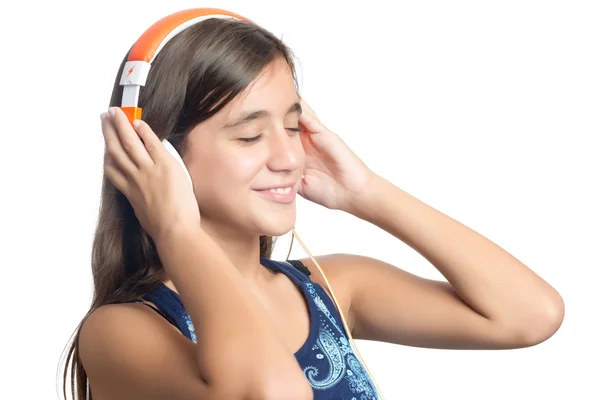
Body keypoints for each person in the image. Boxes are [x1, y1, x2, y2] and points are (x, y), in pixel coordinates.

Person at [61, 13, 565, 400]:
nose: (288, 157)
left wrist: (366, 192)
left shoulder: (329, 287)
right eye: (251, 134)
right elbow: (271, 391)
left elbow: (529, 314)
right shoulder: (120, 332)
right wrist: (176, 230)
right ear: (156, 154)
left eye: (294, 126)